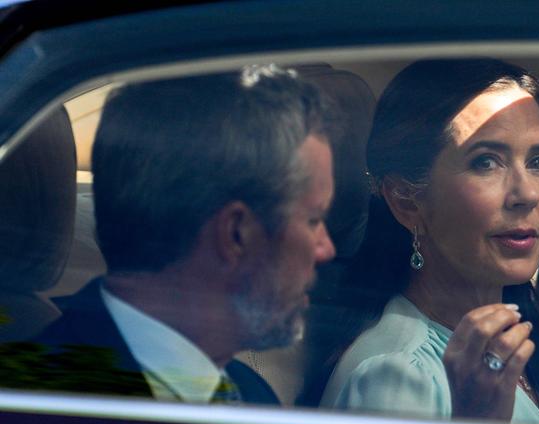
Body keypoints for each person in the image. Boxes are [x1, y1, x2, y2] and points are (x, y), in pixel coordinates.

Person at [0, 65, 336, 404]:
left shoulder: (251, 393)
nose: (326, 248)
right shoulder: (34, 408)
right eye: (313, 220)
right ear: (237, 233)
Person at [320, 59, 539, 424]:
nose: (527, 194)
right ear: (405, 201)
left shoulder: (532, 342)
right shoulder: (395, 377)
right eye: (486, 163)